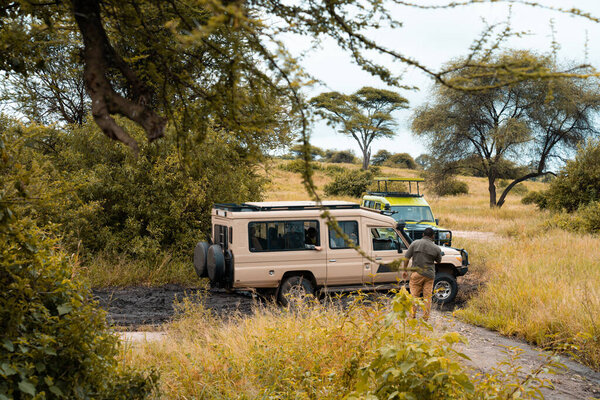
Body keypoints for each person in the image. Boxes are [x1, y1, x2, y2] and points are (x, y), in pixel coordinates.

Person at [402, 227, 442, 321]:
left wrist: (405, 270)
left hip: (416, 274)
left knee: (414, 295)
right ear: (433, 236)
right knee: (427, 297)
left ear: (423, 234)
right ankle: (425, 318)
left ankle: (412, 316)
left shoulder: (415, 243)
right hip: (429, 275)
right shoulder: (436, 248)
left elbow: (406, 258)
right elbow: (439, 261)